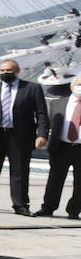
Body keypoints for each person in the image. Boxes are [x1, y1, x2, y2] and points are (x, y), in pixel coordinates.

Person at [0, 59, 48, 215]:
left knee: (19, 172)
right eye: (2, 71)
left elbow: (41, 114)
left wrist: (42, 135)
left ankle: (20, 205)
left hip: (20, 137)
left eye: (8, 70)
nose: (5, 73)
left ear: (18, 71)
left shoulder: (32, 89)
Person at [34, 73, 81, 219]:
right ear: (72, 86)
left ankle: (74, 210)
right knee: (54, 180)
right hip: (61, 148)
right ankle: (48, 208)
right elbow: (46, 123)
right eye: (79, 84)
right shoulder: (57, 103)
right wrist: (40, 137)